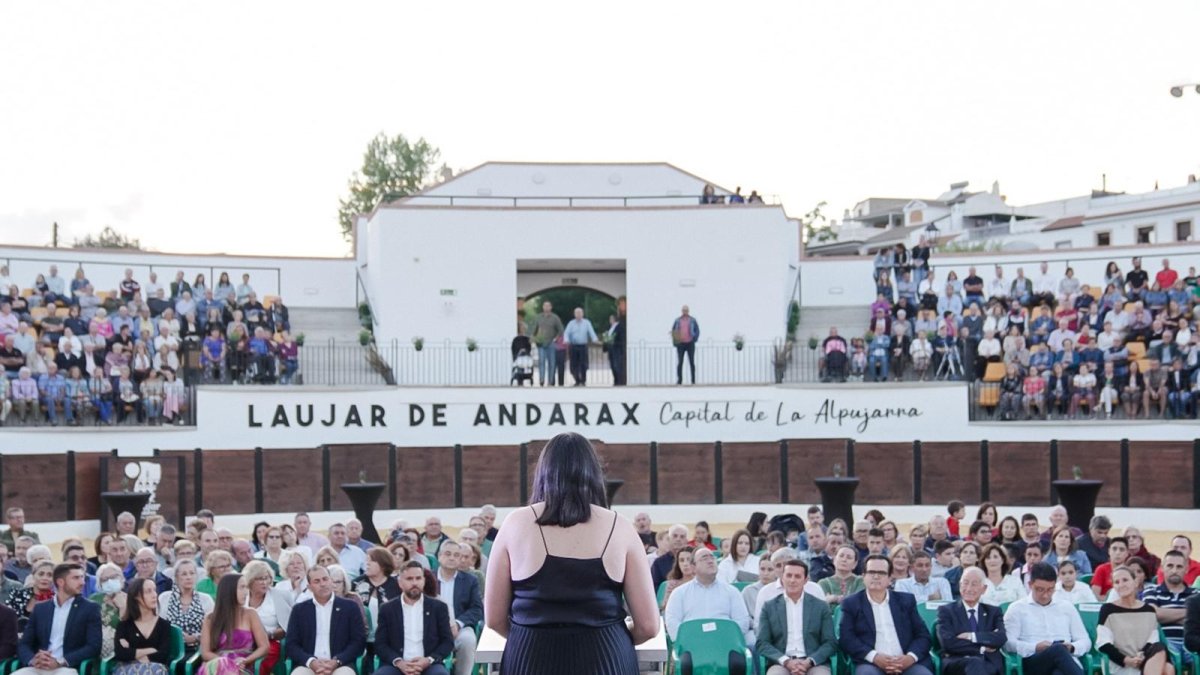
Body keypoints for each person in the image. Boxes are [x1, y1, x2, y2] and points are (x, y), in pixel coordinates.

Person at [483, 432, 658, 674]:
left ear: (543, 472)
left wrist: (531, 633)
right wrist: (608, 636)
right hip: (605, 658)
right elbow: (648, 626)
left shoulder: (515, 524)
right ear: (594, 474)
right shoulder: (620, 527)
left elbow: (494, 619)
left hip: (531, 657)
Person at [838, 554, 934, 675]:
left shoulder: (906, 601)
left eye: (882, 573)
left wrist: (910, 658)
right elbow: (847, 638)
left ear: (890, 578)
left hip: (906, 662)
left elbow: (923, 636)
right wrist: (874, 657)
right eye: (871, 572)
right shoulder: (852, 603)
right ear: (863, 576)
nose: (876, 576)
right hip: (871, 663)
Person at [13, 563, 101, 675]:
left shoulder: (90, 608)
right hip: (38, 667)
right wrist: (33, 660)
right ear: (60, 582)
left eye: (82, 577)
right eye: (76, 578)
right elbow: (24, 644)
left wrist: (60, 661)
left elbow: (94, 646)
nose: (82, 582)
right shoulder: (41, 609)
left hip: (67, 667)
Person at [1003, 562, 1089, 675]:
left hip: (1064, 661)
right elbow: (1008, 643)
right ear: (1030, 585)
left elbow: (1085, 641)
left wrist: (1072, 647)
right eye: (1040, 589)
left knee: (1058, 671)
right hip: (1033, 662)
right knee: (1058, 650)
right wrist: (1034, 647)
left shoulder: (1066, 607)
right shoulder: (1017, 608)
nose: (1045, 595)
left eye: (1050, 589)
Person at [756, 560, 837, 675]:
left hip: (814, 663)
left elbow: (830, 642)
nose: (792, 580)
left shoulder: (820, 606)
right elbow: (762, 643)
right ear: (782, 578)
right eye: (788, 575)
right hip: (781, 663)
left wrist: (809, 661)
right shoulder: (769, 607)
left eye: (797, 576)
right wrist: (786, 661)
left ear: (805, 580)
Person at [374, 561, 453, 675]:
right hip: (396, 665)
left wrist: (428, 660)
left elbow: (447, 642)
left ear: (424, 581)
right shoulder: (387, 609)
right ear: (400, 582)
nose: (415, 583)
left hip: (429, 664)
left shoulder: (438, 607)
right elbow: (380, 644)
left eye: (418, 578)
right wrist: (399, 662)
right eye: (409, 579)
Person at [663, 547, 750, 648]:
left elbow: (742, 621)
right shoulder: (679, 593)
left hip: (725, 645)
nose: (710, 561)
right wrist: (691, 641)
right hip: (691, 647)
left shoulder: (732, 592)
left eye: (712, 558)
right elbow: (672, 622)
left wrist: (724, 638)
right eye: (704, 558)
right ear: (693, 567)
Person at [285, 565, 364, 675]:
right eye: (317, 581)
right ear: (309, 587)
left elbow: (358, 642)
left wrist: (336, 661)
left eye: (325, 579)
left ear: (331, 581)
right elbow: (291, 644)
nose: (322, 584)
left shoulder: (350, 607)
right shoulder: (299, 610)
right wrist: (311, 661)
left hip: (341, 664)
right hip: (308, 665)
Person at [1096, 566, 1174, 675]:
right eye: (1117, 582)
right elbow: (1103, 644)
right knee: (1167, 669)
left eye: (1125, 580)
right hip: (1120, 663)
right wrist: (1127, 660)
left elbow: (1152, 640)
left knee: (1165, 660)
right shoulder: (1108, 610)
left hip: (1145, 660)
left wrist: (1140, 656)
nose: (1121, 585)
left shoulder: (1149, 610)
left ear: (1135, 582)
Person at [936, 567, 1008, 675]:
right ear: (960, 586)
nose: (969, 588)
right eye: (965, 583)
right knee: (975, 663)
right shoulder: (946, 611)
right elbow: (948, 643)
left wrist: (972, 636)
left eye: (974, 584)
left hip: (988, 662)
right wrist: (982, 647)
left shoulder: (993, 612)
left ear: (983, 589)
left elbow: (1001, 637)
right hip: (957, 662)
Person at [199, 574, 268, 675]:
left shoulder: (251, 614)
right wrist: (227, 662)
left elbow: (264, 647)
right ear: (228, 590)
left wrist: (246, 660)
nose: (246, 592)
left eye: (246, 587)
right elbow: (205, 653)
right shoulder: (210, 618)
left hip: (243, 665)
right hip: (216, 665)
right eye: (242, 587)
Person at [432, 541, 482, 675]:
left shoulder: (470, 580)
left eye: (456, 555)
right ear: (439, 556)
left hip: (460, 627)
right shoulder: (428, 579)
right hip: (431, 627)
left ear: (460, 559)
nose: (452, 558)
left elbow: (477, 609)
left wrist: (458, 624)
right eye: (448, 554)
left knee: (468, 640)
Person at [111, 577, 173, 675]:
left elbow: (163, 654)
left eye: (154, 590)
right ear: (136, 596)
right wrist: (150, 650)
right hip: (127, 669)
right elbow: (120, 653)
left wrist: (134, 654)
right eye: (148, 591)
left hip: (155, 669)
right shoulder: (124, 625)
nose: (154, 595)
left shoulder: (163, 625)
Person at [1143, 551, 1195, 665]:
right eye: (1170, 566)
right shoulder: (1151, 591)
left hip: (1192, 644)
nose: (1174, 570)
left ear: (1186, 569)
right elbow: (1153, 615)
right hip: (1164, 644)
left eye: (1179, 566)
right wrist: (1190, 613)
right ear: (1162, 568)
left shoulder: (1196, 594)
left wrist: (1164, 615)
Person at [241, 561, 291, 675]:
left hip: (270, 641)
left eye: (267, 578)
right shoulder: (242, 595)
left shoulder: (281, 595)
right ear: (250, 580)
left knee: (259, 662)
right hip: (244, 641)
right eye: (259, 579)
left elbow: (288, 626)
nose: (264, 582)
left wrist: (270, 634)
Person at [159, 559, 213, 659]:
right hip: (170, 648)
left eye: (192, 573)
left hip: (198, 649)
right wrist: (178, 637)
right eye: (184, 574)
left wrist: (196, 637)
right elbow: (159, 626)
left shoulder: (206, 599)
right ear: (176, 577)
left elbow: (212, 628)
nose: (188, 577)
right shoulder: (164, 598)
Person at [531, 302, 564, 387]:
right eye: (545, 306)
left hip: (551, 343)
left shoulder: (555, 318)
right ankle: (541, 380)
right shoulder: (538, 317)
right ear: (543, 307)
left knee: (552, 363)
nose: (546, 307)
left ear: (551, 307)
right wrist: (534, 338)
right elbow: (533, 330)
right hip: (540, 344)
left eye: (548, 306)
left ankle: (551, 381)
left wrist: (556, 338)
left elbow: (561, 330)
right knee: (541, 362)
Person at [563, 307, 597, 386]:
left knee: (584, 364)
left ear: (583, 314)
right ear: (574, 314)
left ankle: (583, 380)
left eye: (580, 313)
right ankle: (577, 379)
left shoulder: (587, 323)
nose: (578, 315)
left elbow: (591, 332)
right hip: (573, 346)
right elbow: (566, 333)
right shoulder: (571, 323)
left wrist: (595, 339)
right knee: (573, 365)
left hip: (583, 346)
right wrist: (566, 340)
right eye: (577, 313)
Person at [671, 305, 700, 385]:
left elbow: (697, 330)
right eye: (684, 310)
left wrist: (695, 338)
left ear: (688, 311)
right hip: (681, 344)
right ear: (682, 311)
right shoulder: (677, 320)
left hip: (690, 343)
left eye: (686, 310)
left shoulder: (692, 320)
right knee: (680, 362)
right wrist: (675, 341)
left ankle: (693, 380)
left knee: (692, 362)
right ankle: (679, 380)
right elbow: (674, 331)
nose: (685, 312)